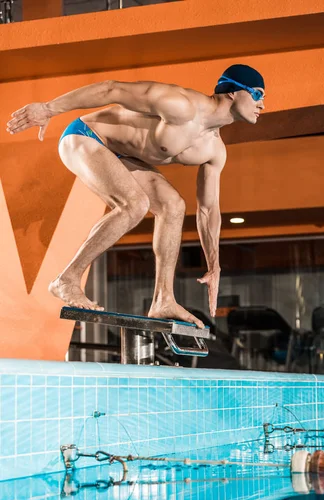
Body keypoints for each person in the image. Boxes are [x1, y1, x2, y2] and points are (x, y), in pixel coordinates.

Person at [6, 64, 265, 328]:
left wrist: (215, 266)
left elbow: (208, 210)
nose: (262, 104)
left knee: (173, 206)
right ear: (233, 92)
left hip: (123, 156)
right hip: (86, 137)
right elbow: (112, 89)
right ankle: (67, 279)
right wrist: (48, 108)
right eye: (257, 94)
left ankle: (163, 299)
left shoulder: (214, 149)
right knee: (134, 205)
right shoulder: (182, 105)